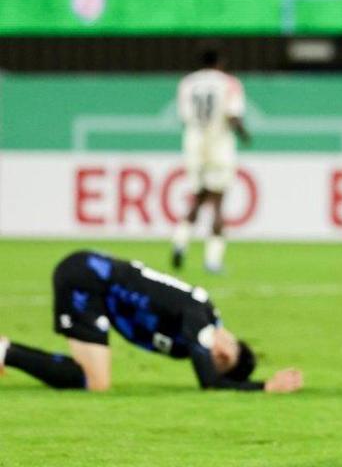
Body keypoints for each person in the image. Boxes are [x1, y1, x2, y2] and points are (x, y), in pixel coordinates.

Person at [0, 250, 303, 393]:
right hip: (88, 276)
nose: (220, 352)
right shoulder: (201, 315)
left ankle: (7, 352)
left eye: (221, 361)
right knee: (97, 383)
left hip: (93, 287)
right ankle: (5, 351)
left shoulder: (185, 345)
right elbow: (209, 384)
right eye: (229, 349)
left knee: (92, 379)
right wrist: (265, 387)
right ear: (230, 335)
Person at [171, 46, 250, 275]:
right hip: (218, 145)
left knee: (198, 197)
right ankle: (212, 260)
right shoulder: (229, 83)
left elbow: (184, 117)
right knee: (218, 201)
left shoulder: (187, 83)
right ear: (220, 62)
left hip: (194, 145)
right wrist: (244, 134)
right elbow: (233, 115)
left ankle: (180, 242)